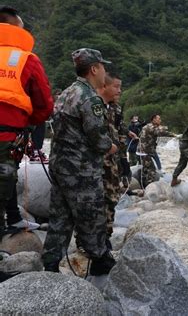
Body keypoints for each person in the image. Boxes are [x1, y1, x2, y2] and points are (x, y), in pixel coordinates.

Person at [42, 48, 117, 275]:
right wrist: (111, 146)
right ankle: (100, 258)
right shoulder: (89, 97)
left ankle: (51, 262)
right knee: (91, 213)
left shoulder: (66, 93)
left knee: (60, 215)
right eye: (102, 66)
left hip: (60, 164)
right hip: (81, 168)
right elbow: (97, 136)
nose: (105, 71)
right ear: (94, 69)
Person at [0, 5, 53, 237]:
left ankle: (13, 217)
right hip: (7, 134)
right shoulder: (26, 59)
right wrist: (30, 122)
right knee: (3, 178)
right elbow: (44, 104)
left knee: (7, 178)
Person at [96, 72, 126, 239]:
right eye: (116, 86)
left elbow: (119, 130)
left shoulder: (115, 108)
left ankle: (106, 236)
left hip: (113, 161)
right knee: (99, 200)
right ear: (104, 86)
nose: (119, 91)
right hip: (99, 162)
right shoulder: (95, 106)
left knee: (112, 197)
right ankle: (92, 240)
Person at [138, 114, 175, 188]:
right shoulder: (150, 127)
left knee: (146, 169)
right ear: (154, 120)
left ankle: (143, 186)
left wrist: (173, 135)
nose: (160, 120)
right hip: (145, 152)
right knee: (151, 170)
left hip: (147, 151)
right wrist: (172, 133)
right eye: (159, 119)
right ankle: (149, 187)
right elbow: (160, 132)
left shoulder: (149, 126)